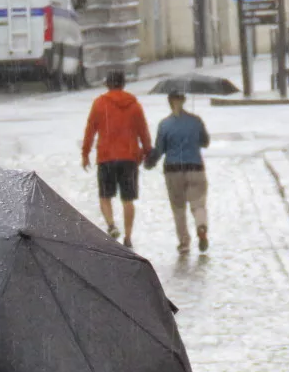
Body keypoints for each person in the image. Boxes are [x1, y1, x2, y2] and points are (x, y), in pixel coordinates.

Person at [82, 70, 152, 249]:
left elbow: (90, 130)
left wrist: (85, 153)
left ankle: (111, 225)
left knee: (105, 196)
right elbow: (142, 130)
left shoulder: (99, 104)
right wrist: (147, 150)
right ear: (123, 84)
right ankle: (128, 237)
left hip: (106, 157)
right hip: (129, 157)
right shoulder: (134, 105)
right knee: (128, 199)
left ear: (107, 84)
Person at [145, 90, 211, 254]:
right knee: (198, 204)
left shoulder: (165, 124)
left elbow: (160, 149)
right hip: (195, 167)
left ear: (169, 101)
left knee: (178, 208)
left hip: (173, 169)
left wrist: (150, 161)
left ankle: (184, 242)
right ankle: (201, 226)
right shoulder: (196, 121)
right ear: (184, 100)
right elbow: (205, 142)